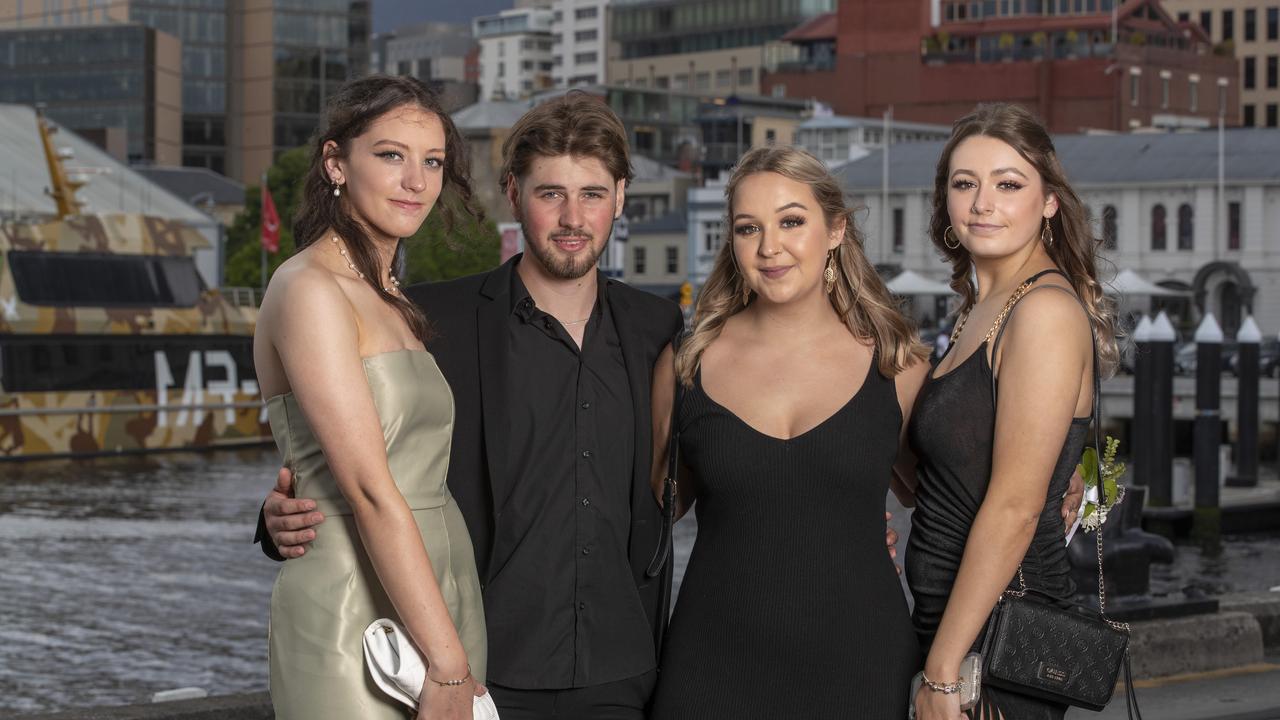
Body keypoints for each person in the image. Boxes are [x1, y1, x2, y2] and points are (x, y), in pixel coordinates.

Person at [259, 91, 684, 720]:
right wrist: (278, 521)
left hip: (621, 666)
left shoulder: (659, 329)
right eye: (549, 194)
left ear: (620, 198)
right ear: (512, 194)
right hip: (471, 659)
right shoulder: (433, 318)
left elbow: (705, 468)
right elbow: (356, 454)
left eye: (592, 194)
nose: (572, 218)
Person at [646, 145, 931, 718]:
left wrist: (1062, 470)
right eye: (748, 228)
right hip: (713, 666)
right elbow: (648, 512)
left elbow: (951, 501)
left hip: (862, 664)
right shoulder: (686, 363)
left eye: (791, 221)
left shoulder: (897, 366)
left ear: (835, 230)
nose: (769, 247)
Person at [252, 75, 488, 719]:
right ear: (336, 163)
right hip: (350, 606)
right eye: (391, 155)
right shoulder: (308, 289)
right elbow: (365, 487)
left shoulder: (396, 300)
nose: (416, 180)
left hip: (442, 592)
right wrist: (446, 665)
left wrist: (451, 646)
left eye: (432, 161)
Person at [904, 103, 1114, 720]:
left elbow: (1017, 507)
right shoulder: (981, 308)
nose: (981, 203)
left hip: (994, 637)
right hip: (952, 621)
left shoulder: (1042, 312)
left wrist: (943, 673)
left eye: (1008, 184)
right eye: (964, 184)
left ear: (1049, 201)